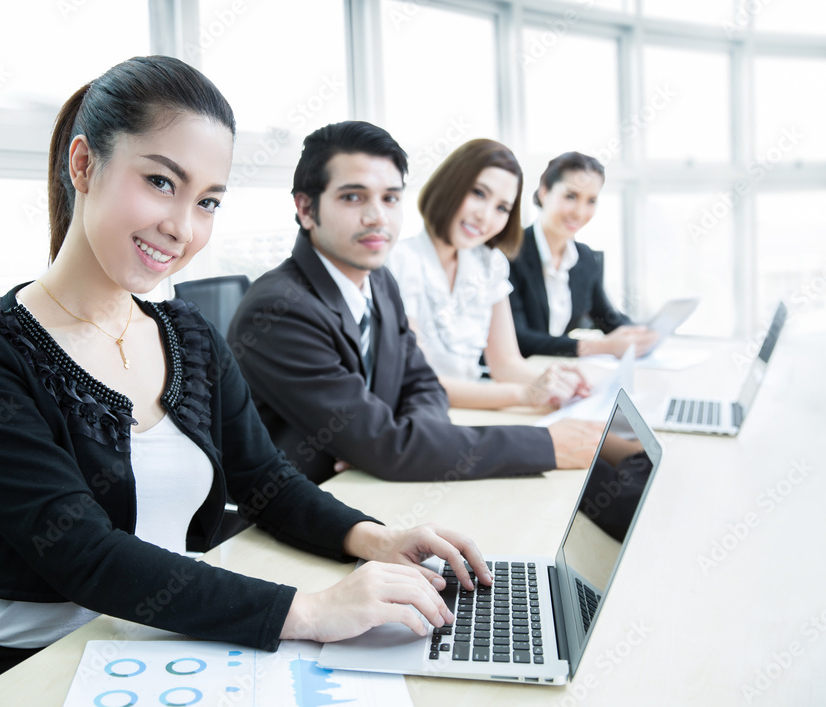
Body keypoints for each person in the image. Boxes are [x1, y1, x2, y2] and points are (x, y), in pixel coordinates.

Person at [0, 57, 492, 697]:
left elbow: (267, 483)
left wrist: (376, 539)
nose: (183, 227)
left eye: (208, 201)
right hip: (39, 672)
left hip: (181, 648)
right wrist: (310, 611)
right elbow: (85, 556)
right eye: (161, 182)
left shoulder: (187, 335)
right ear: (83, 165)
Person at [228, 121, 603, 485]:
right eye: (353, 197)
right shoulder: (280, 309)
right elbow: (388, 445)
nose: (377, 217)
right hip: (296, 515)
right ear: (307, 209)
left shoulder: (377, 280)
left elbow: (423, 383)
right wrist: (550, 445)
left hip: (368, 486)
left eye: (390, 198)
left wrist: (401, 441)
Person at [388, 138, 590, 410]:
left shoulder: (490, 263)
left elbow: (505, 363)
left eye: (502, 208)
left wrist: (561, 383)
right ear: (449, 184)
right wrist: (524, 395)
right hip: (421, 415)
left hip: (471, 410)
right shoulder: (399, 262)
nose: (485, 217)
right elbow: (420, 382)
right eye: (479, 194)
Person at [508, 152, 657, 358]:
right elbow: (518, 339)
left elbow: (607, 319)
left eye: (591, 200)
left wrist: (643, 334)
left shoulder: (584, 258)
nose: (579, 212)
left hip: (556, 375)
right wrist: (598, 347)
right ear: (544, 193)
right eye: (570, 196)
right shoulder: (510, 254)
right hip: (509, 379)